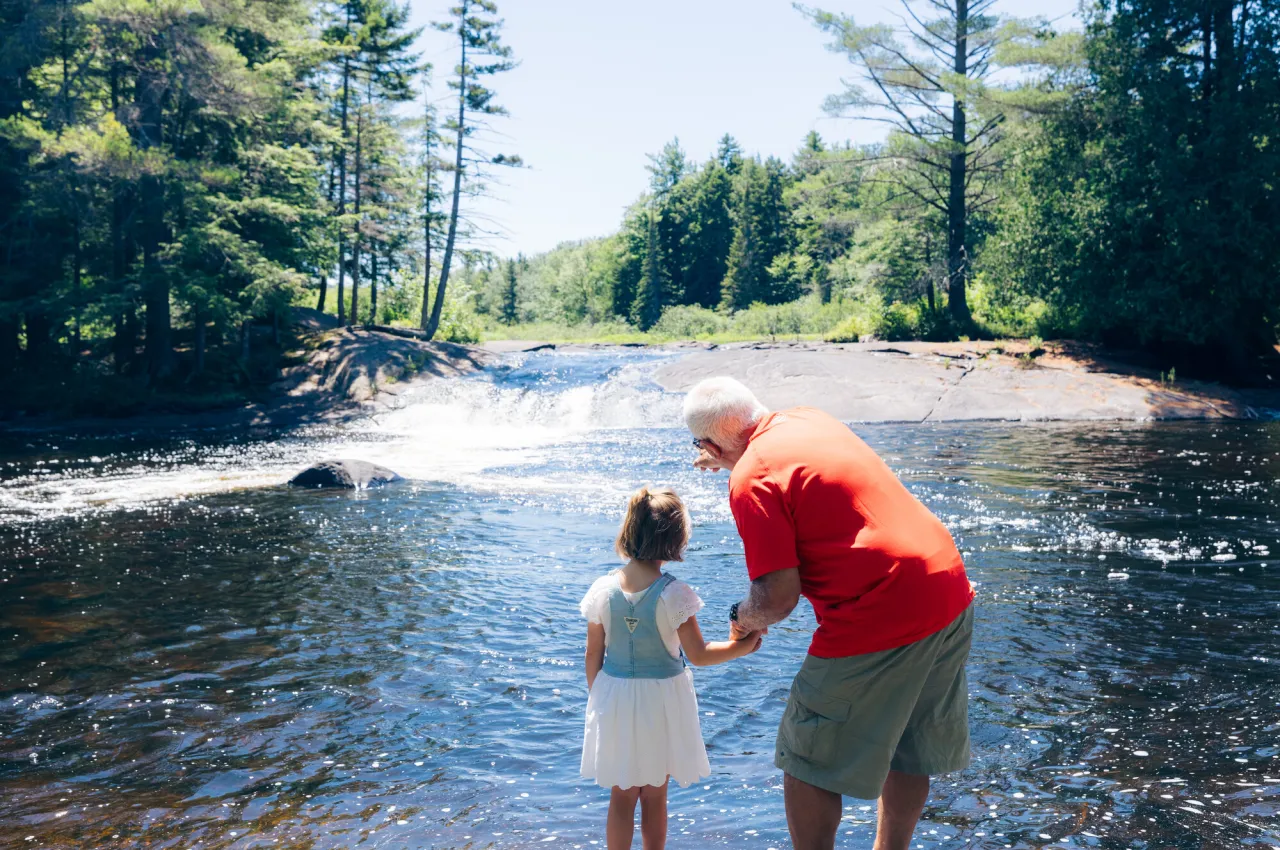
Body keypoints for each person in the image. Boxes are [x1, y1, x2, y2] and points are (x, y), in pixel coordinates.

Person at [683, 377, 975, 850]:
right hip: (947, 585)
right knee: (909, 746)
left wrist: (741, 618)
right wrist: (732, 454)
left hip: (885, 608)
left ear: (712, 443)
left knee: (807, 757)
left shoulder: (750, 478)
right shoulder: (807, 418)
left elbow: (777, 599)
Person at [580, 485, 764, 850]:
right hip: (660, 703)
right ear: (675, 540)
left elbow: (592, 656)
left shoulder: (602, 589)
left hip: (614, 697)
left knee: (621, 793)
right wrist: (742, 648)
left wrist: (600, 700)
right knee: (654, 794)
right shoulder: (673, 593)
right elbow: (698, 654)